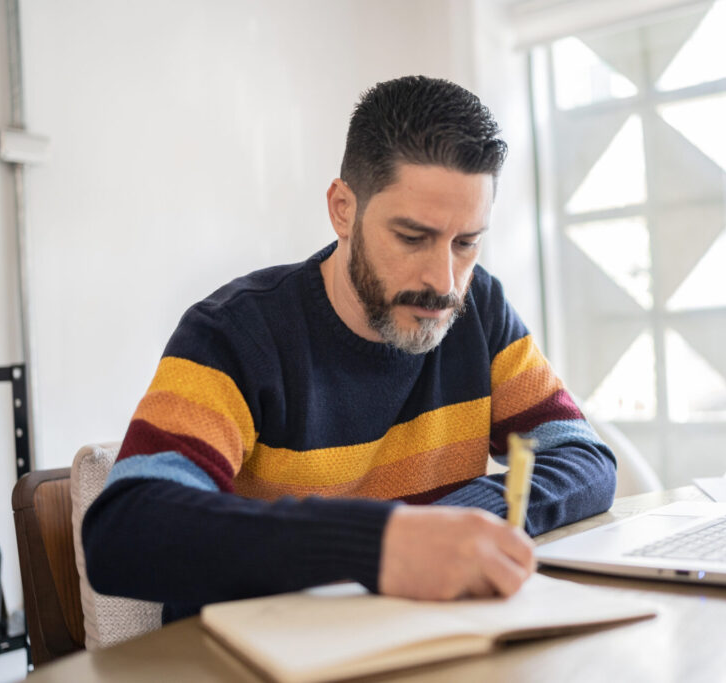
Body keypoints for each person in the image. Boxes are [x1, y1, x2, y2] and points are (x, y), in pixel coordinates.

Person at [83, 75, 617, 622]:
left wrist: (456, 523)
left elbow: (584, 458)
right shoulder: (237, 334)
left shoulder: (478, 308)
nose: (444, 283)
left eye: (466, 243)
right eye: (412, 238)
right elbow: (125, 532)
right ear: (343, 209)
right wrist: (379, 545)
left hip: (416, 638)